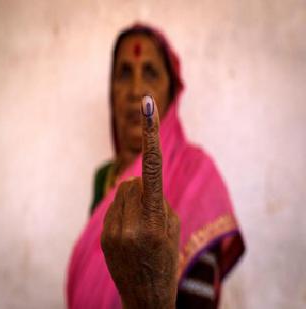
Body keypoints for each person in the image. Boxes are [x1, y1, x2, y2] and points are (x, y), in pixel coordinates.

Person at [67, 23, 245, 308]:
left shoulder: (196, 175)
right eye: (124, 73)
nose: (136, 89)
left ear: (171, 95)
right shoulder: (105, 178)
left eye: (150, 72)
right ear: (111, 93)